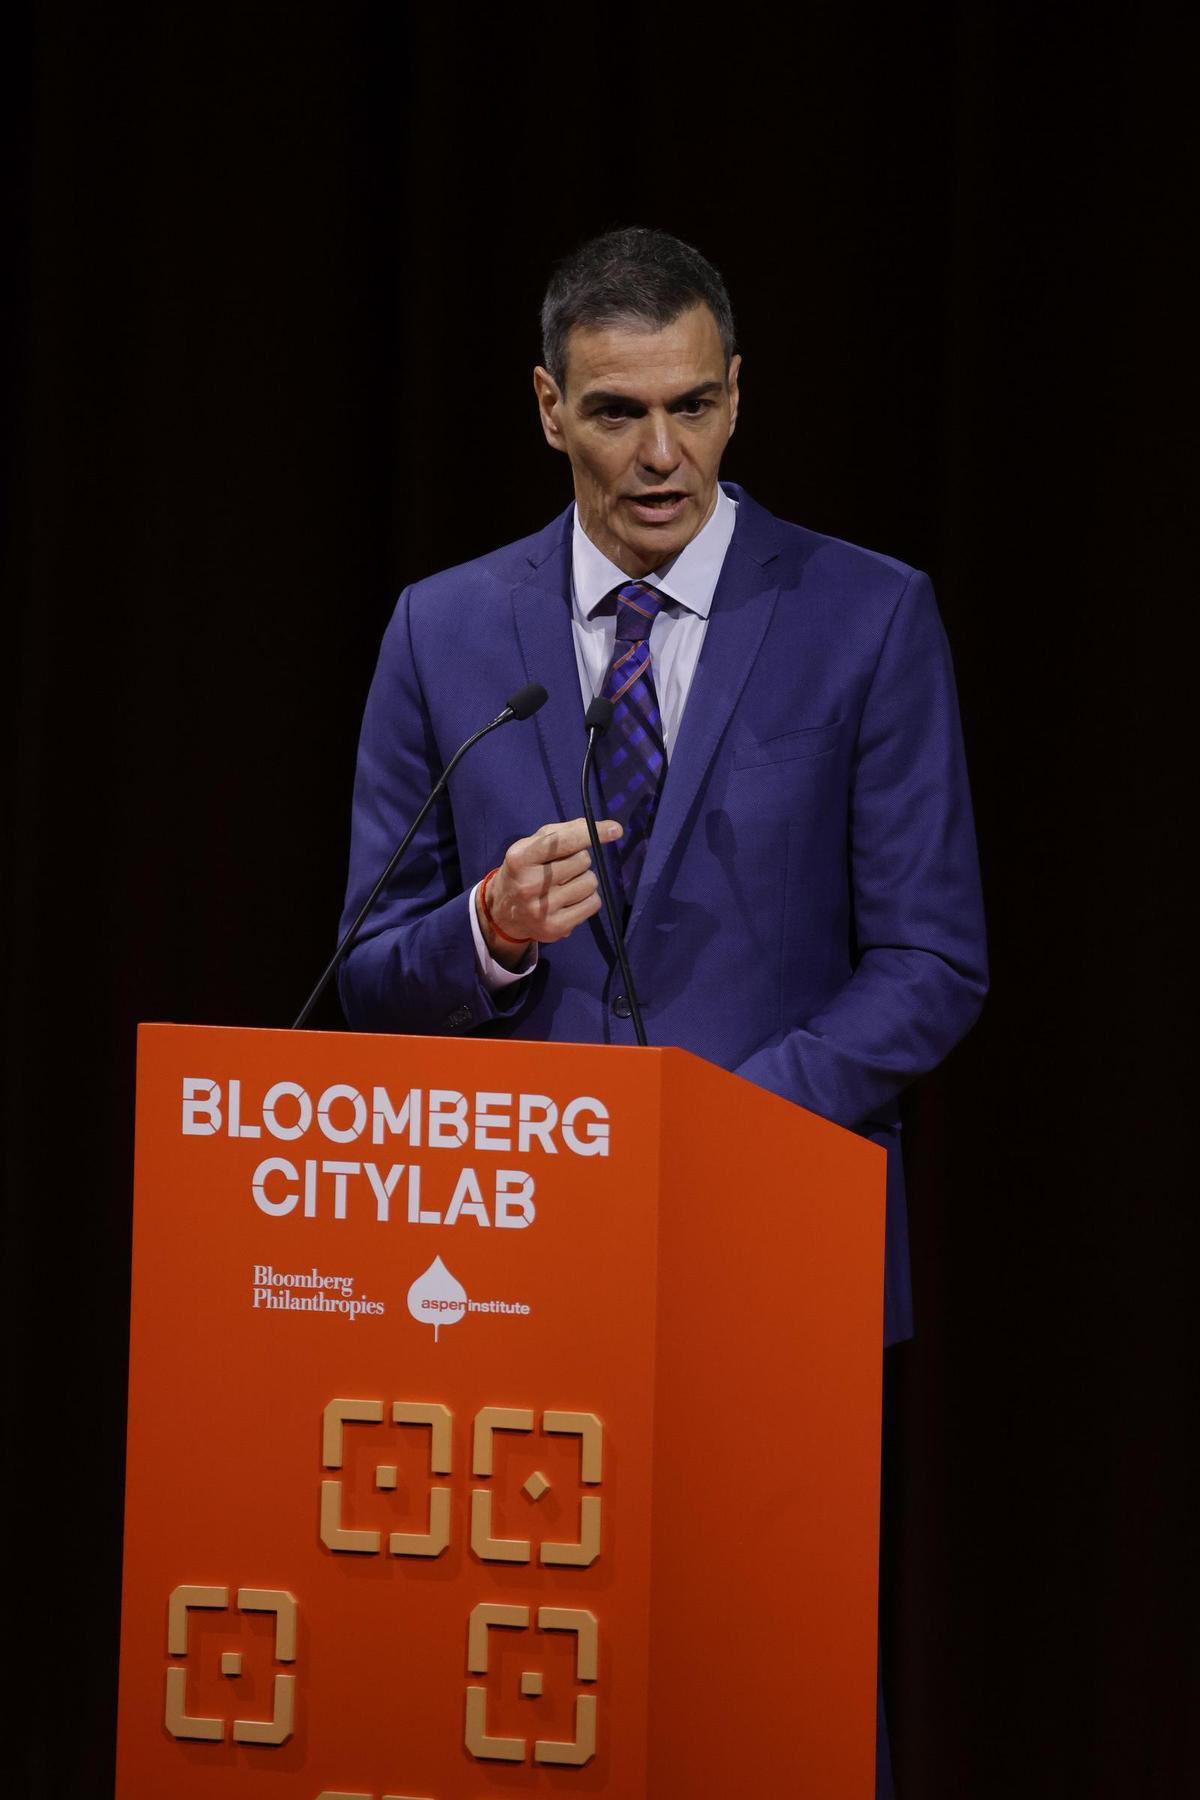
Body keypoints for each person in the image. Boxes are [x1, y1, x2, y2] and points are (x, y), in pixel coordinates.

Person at [338, 227, 987, 1796]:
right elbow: (367, 966)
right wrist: (489, 933)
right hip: (514, 1261)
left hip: (772, 1245)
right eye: (619, 412)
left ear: (737, 395)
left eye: (694, 406)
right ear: (548, 407)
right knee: (524, 1697)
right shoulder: (443, 628)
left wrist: (722, 1129)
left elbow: (932, 961)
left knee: (770, 1702)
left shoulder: (866, 615)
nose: (661, 455)